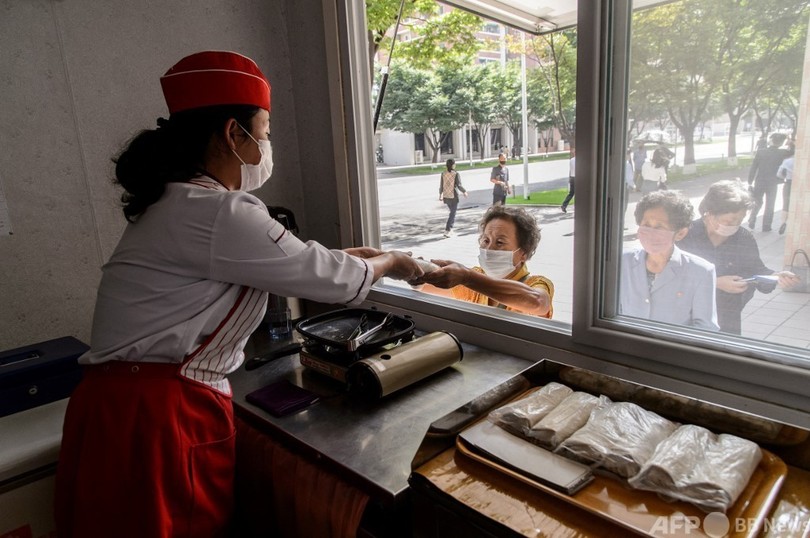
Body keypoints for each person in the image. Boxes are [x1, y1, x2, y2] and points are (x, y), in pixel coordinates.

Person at [53, 50, 424, 538]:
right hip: (158, 415)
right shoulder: (219, 210)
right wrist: (393, 262)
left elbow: (285, 261)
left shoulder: (175, 201)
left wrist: (351, 256)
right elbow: (332, 281)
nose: (267, 146)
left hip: (117, 406)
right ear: (233, 134)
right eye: (264, 132)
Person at [678, 180, 800, 334]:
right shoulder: (685, 235)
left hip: (727, 317)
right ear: (709, 213)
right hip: (686, 315)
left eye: (740, 221)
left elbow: (756, 269)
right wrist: (715, 283)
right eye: (728, 221)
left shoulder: (743, 238)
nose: (734, 225)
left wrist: (776, 276)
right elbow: (668, 274)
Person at [412, 205, 553, 317]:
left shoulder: (536, 284)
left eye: (500, 242)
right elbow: (427, 287)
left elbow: (538, 303)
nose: (489, 248)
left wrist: (467, 277)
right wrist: (419, 272)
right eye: (485, 240)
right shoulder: (476, 279)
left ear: (523, 253)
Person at [620, 190, 719, 330]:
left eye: (659, 227)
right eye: (646, 225)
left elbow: (706, 327)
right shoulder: (622, 261)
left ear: (680, 233)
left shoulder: (701, 271)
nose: (651, 232)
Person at [747, 132, 789, 232]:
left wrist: (750, 181)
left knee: (757, 201)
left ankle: (752, 218)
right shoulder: (783, 153)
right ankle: (766, 225)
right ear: (781, 143)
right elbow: (794, 151)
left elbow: (754, 167)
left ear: (771, 140)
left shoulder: (761, 152)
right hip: (773, 183)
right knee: (770, 204)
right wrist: (790, 141)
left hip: (760, 181)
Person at [439, 158, 468, 237]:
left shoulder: (443, 173)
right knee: (453, 213)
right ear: (452, 165)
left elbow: (441, 185)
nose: (455, 165)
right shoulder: (456, 174)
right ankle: (447, 230)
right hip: (454, 196)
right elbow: (459, 185)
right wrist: (464, 191)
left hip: (446, 196)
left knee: (452, 212)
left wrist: (440, 194)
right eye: (454, 164)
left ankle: (450, 229)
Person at [777, 149, 794, 235]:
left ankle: (783, 222)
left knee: (786, 204)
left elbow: (779, 174)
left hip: (788, 183)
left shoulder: (787, 161)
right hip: (801, 185)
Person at [561, 147, 576, 213]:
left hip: (572, 178)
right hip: (578, 178)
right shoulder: (580, 160)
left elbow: (570, 170)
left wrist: (569, 179)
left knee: (571, 193)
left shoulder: (571, 160)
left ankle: (564, 205)